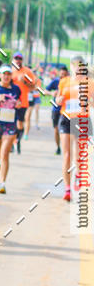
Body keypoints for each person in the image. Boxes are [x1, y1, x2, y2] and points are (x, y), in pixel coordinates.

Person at [55, 57, 94, 202]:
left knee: (79, 155)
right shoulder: (64, 81)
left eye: (80, 67)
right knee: (66, 155)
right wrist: (58, 101)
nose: (77, 69)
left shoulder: (89, 83)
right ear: (71, 67)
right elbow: (58, 99)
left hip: (82, 120)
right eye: (75, 66)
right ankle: (67, 189)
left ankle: (78, 175)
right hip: (66, 118)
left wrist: (89, 101)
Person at [0, 65, 21, 194]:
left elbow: (19, 103)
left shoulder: (16, 89)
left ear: (11, 76)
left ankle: (2, 183)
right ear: (0, 75)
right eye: (4, 74)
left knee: (4, 154)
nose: (6, 76)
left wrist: (18, 105)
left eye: (8, 74)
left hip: (10, 124)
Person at [11, 52, 37, 154]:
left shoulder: (27, 72)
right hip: (11, 102)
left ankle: (18, 140)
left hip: (23, 102)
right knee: (12, 123)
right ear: (13, 59)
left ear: (22, 60)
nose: (18, 60)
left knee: (20, 123)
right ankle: (12, 143)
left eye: (20, 58)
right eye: (16, 58)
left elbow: (33, 87)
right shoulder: (10, 71)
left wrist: (25, 82)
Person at [46, 66, 68, 155]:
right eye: (61, 74)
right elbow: (45, 91)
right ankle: (58, 147)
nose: (63, 76)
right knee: (56, 130)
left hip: (66, 111)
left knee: (64, 130)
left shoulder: (69, 82)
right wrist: (52, 93)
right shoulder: (55, 81)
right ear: (59, 73)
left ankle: (65, 148)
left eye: (65, 74)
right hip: (56, 109)